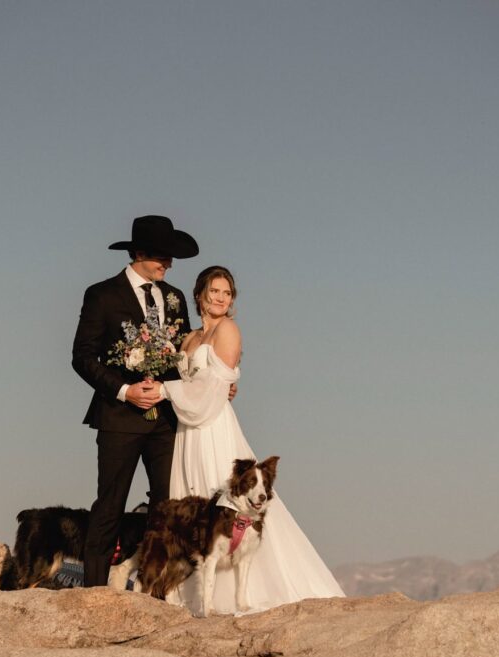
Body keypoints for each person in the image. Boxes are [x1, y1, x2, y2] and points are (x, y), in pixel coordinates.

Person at [160, 265, 345, 614]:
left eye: (227, 293)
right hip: (188, 430)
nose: (220, 298)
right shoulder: (188, 339)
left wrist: (168, 390)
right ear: (200, 293)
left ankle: (238, 596)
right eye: (215, 290)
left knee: (228, 506)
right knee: (193, 506)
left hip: (212, 424)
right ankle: (194, 594)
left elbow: (213, 388)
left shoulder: (228, 330)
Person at [71, 215, 198, 588]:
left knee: (167, 508)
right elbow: (82, 356)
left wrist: (211, 384)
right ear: (139, 253)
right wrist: (125, 391)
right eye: (162, 256)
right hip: (118, 416)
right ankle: (93, 591)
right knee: (109, 504)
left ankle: (158, 590)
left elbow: (183, 355)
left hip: (166, 421)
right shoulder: (102, 294)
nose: (169, 263)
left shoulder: (173, 298)